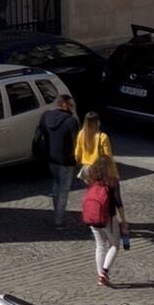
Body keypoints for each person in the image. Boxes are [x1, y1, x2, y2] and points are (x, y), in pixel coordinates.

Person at [75, 112, 128, 247]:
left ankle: (93, 216)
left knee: (94, 194)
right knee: (106, 196)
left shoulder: (82, 134)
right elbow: (108, 157)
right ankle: (106, 220)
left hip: (87, 169)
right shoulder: (102, 137)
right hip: (100, 169)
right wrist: (114, 174)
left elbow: (77, 154)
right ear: (97, 122)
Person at [38, 93, 82, 227]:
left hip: (51, 158)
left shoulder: (46, 116)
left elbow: (39, 135)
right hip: (66, 161)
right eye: (72, 105)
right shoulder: (71, 121)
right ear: (66, 105)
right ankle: (59, 219)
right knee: (63, 190)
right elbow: (76, 142)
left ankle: (58, 213)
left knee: (56, 185)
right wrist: (79, 159)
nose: (73, 107)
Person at [81, 160, 121, 285]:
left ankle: (100, 275)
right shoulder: (112, 181)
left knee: (100, 245)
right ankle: (105, 271)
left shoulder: (91, 182)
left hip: (93, 218)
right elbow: (118, 203)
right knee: (114, 245)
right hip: (108, 218)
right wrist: (124, 220)